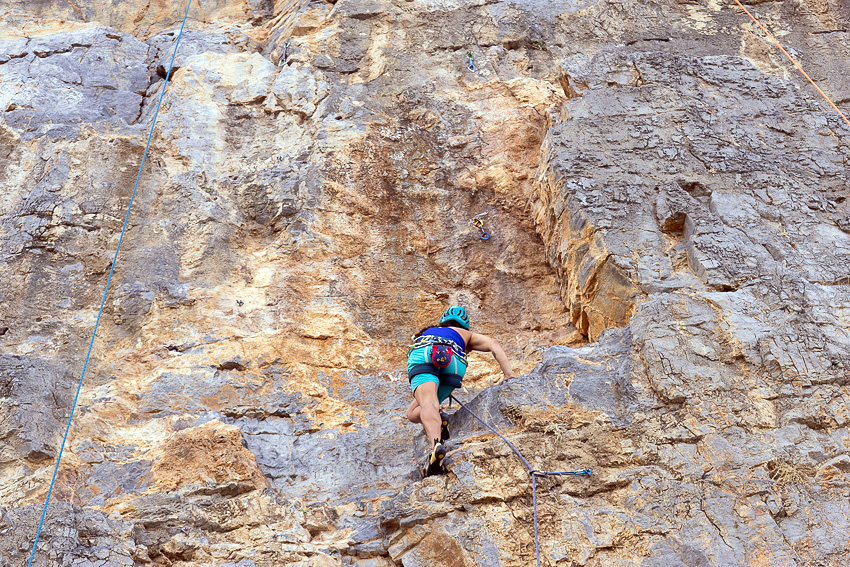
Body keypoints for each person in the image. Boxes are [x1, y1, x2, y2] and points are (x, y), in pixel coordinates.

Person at [405, 306, 517, 476]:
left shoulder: (431, 330)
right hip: (454, 363)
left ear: (443, 322)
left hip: (426, 352)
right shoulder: (468, 336)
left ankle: (436, 446)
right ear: (464, 325)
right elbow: (493, 343)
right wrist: (509, 375)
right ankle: (440, 420)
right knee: (412, 412)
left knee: (428, 403)